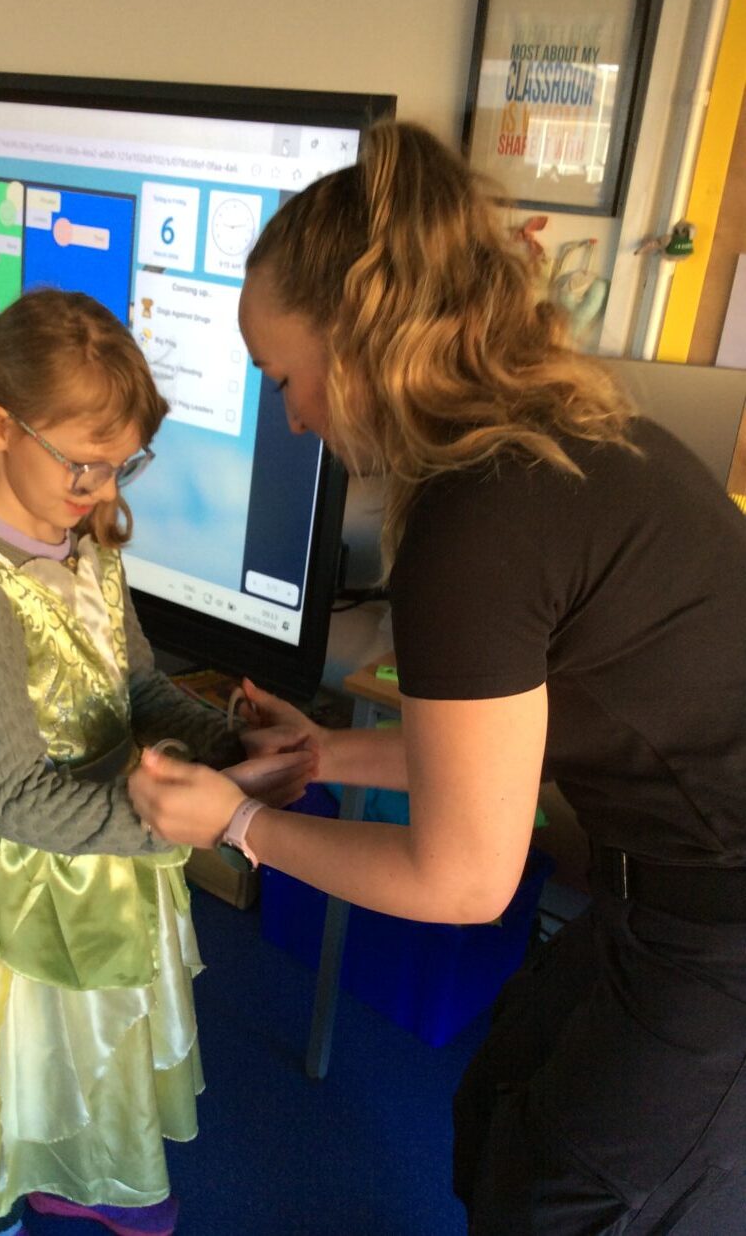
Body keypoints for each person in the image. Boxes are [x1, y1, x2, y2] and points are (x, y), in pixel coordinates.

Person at [129, 121, 746, 1233]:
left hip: (717, 917)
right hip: (651, 885)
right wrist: (326, 753)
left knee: (564, 1198)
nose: (292, 416)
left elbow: (463, 880)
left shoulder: (482, 520)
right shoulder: (554, 438)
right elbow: (497, 757)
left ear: (358, 339)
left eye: (284, 378)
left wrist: (238, 825)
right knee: (498, 1106)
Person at [0, 289, 311, 1235]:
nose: (103, 488)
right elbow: (17, 799)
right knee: (29, 1043)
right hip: (22, 866)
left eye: (121, 465)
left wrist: (231, 746)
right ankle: (32, 1183)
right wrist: (197, 809)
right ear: (0, 427)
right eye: (85, 463)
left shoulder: (82, 534)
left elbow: (137, 688)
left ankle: (88, 1170)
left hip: (109, 840)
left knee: (99, 1032)